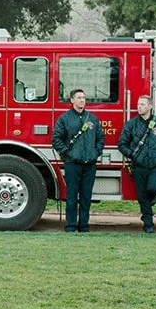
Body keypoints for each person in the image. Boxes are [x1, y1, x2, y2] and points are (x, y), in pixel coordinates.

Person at [118, 95, 156, 234]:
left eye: (143, 104)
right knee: (142, 196)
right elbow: (122, 144)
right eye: (138, 104)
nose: (139, 107)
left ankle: (150, 205)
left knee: (153, 188)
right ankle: (148, 223)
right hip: (139, 166)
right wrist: (133, 155)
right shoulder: (131, 124)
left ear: (150, 106)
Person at [52, 88, 104, 233]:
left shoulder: (92, 119)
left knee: (86, 197)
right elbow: (56, 139)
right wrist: (69, 154)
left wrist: (95, 153)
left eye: (83, 98)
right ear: (72, 100)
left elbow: (100, 139)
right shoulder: (65, 119)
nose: (82, 100)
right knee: (72, 197)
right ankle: (71, 225)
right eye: (79, 97)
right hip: (72, 164)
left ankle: (84, 226)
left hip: (89, 164)